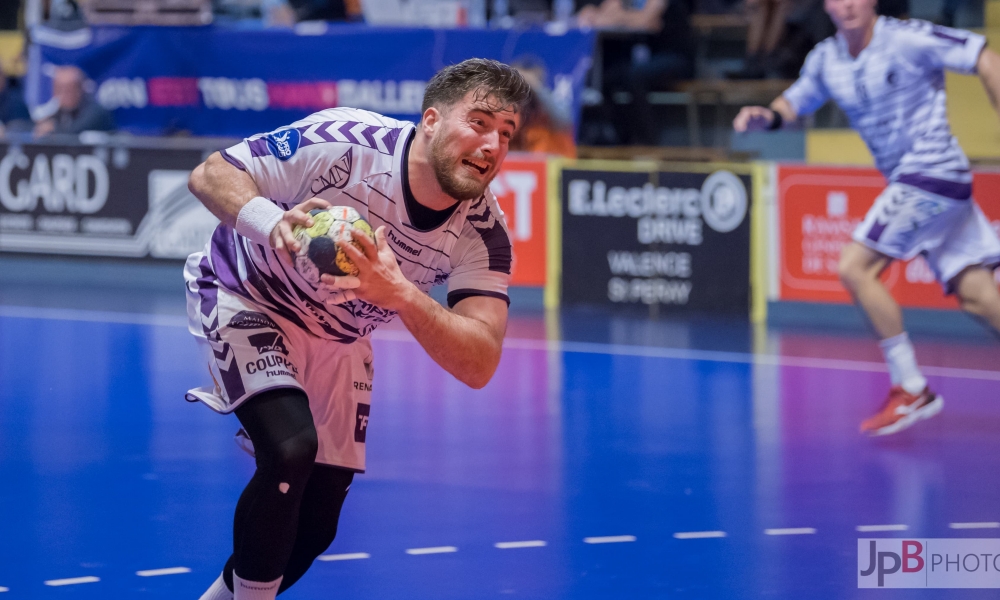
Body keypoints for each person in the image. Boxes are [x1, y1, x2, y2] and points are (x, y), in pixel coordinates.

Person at [185, 58, 529, 600]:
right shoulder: (346, 142)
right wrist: (272, 222)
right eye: (480, 122)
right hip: (250, 295)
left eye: (506, 133)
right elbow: (210, 174)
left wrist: (400, 295)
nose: (493, 144)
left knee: (319, 524)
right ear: (432, 120)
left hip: (342, 338)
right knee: (291, 448)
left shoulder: (484, 234)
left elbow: (481, 361)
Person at [734, 0, 1000, 435]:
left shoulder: (908, 39)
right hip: (915, 183)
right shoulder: (826, 59)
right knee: (980, 298)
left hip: (932, 172)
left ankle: (911, 387)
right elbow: (791, 106)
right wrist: (764, 117)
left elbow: (986, 58)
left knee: (854, 267)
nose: (849, 4)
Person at [578, 0, 695, 145]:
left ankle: (648, 141)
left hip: (675, 56)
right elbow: (603, 15)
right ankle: (620, 138)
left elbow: (643, 21)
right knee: (608, 79)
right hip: (646, 57)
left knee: (633, 76)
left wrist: (621, 17)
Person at [33, 65, 115, 137]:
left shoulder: (95, 111)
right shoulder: (61, 110)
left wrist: (52, 128)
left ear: (79, 90)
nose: (62, 96)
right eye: (58, 90)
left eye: (68, 90)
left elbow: (74, 134)